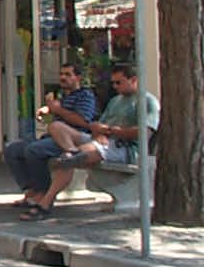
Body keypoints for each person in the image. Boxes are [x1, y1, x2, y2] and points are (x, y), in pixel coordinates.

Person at [17, 63, 159, 221]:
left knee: (66, 160)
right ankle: (73, 151)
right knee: (56, 127)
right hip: (100, 140)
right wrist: (99, 131)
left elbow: (144, 133)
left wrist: (112, 131)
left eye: (119, 82)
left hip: (123, 147)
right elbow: (95, 124)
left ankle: (45, 203)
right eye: (113, 83)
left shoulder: (147, 101)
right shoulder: (115, 101)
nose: (115, 87)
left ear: (133, 80)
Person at [3, 62, 99, 211]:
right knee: (12, 149)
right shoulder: (62, 95)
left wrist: (58, 110)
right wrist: (47, 110)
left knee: (34, 150)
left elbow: (83, 121)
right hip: (51, 136)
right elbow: (57, 112)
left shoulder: (85, 96)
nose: (63, 78)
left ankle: (43, 192)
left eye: (68, 75)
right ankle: (31, 190)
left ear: (78, 78)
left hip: (70, 139)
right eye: (61, 74)